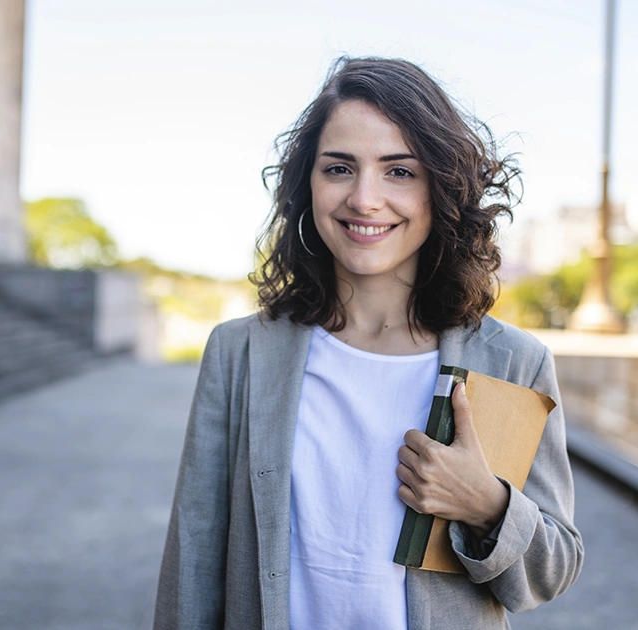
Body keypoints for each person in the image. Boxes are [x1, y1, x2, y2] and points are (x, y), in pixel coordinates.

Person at [154, 56, 582, 630]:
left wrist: (487, 504)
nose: (364, 198)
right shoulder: (241, 354)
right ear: (307, 183)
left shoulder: (512, 362)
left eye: (399, 171)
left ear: (441, 187)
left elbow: (551, 571)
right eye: (339, 168)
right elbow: (194, 558)